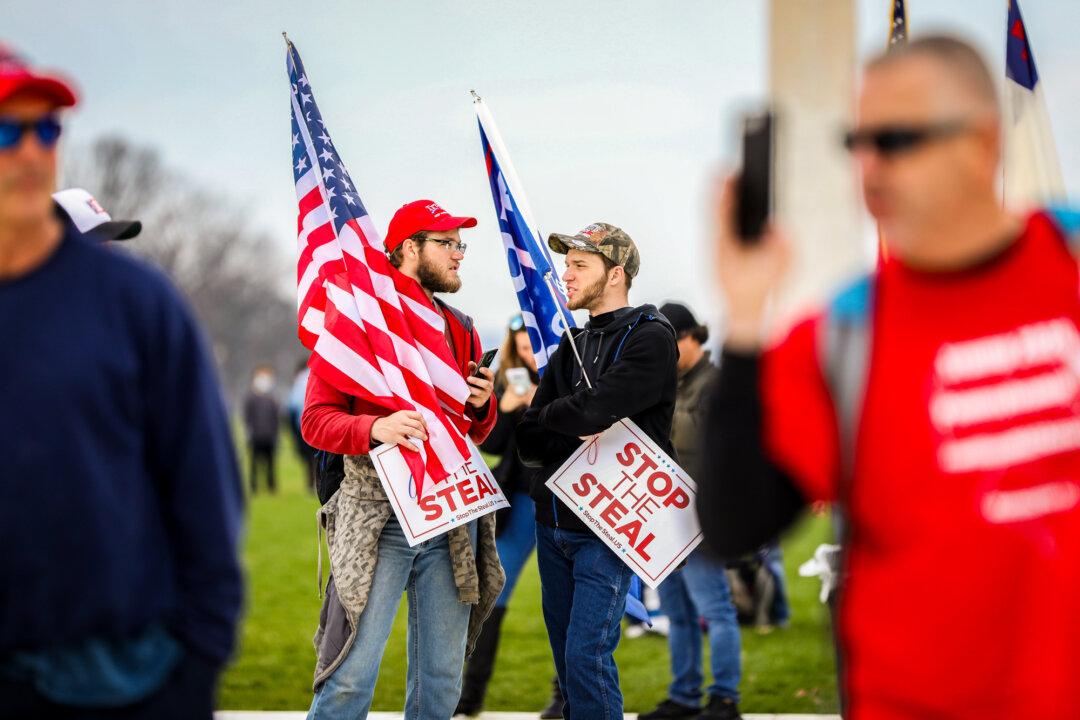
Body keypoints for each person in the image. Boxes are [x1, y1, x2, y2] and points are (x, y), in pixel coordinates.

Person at [699, 35, 1080, 719]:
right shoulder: (842, 334)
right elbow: (734, 523)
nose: (871, 166)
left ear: (983, 142)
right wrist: (747, 314)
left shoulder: (1069, 262)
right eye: (860, 140)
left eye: (899, 139)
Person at [0, 46, 243, 719]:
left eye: (46, 128)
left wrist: (195, 661)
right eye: (6, 130)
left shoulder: (140, 304)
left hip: (126, 677)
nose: (29, 149)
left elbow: (203, 491)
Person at [302, 198, 503, 720]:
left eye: (462, 244)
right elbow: (316, 421)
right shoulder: (357, 318)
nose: (460, 254)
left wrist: (482, 405)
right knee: (350, 675)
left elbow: (472, 431)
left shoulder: (460, 326)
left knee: (441, 681)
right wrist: (376, 428)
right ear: (410, 248)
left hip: (450, 516)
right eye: (447, 243)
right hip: (378, 516)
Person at [517, 223, 678, 720]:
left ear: (615, 275)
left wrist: (566, 415)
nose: (566, 274)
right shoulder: (572, 341)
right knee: (567, 665)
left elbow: (594, 409)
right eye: (567, 264)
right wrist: (569, 416)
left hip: (608, 528)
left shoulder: (650, 336)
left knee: (586, 655)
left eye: (579, 265)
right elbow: (528, 438)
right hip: (553, 522)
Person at [639, 302, 742, 720]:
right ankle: (684, 695)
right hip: (667, 516)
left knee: (713, 608)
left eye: (673, 341)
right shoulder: (674, 383)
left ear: (693, 338)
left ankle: (724, 697)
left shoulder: (715, 384)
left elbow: (703, 437)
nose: (668, 351)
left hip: (701, 514)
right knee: (677, 612)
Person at [455, 314, 543, 717]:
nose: (528, 355)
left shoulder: (569, 374)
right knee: (495, 594)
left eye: (533, 345)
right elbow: (496, 448)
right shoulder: (511, 381)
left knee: (570, 599)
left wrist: (544, 404)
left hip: (564, 498)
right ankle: (470, 696)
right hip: (522, 497)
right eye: (521, 347)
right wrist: (506, 409)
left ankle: (566, 696)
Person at [243, 364, 281, 494]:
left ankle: (271, 486)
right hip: (255, 436)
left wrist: (276, 433)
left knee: (271, 463)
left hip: (270, 436)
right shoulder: (250, 397)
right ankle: (254, 486)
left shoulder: (272, 398)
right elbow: (247, 417)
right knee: (254, 463)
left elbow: (276, 417)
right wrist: (248, 432)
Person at [287, 359, 317, 492]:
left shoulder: (300, 380)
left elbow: (292, 405)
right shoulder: (319, 374)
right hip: (321, 425)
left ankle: (310, 483)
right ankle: (318, 483)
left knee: (308, 458)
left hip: (303, 426)